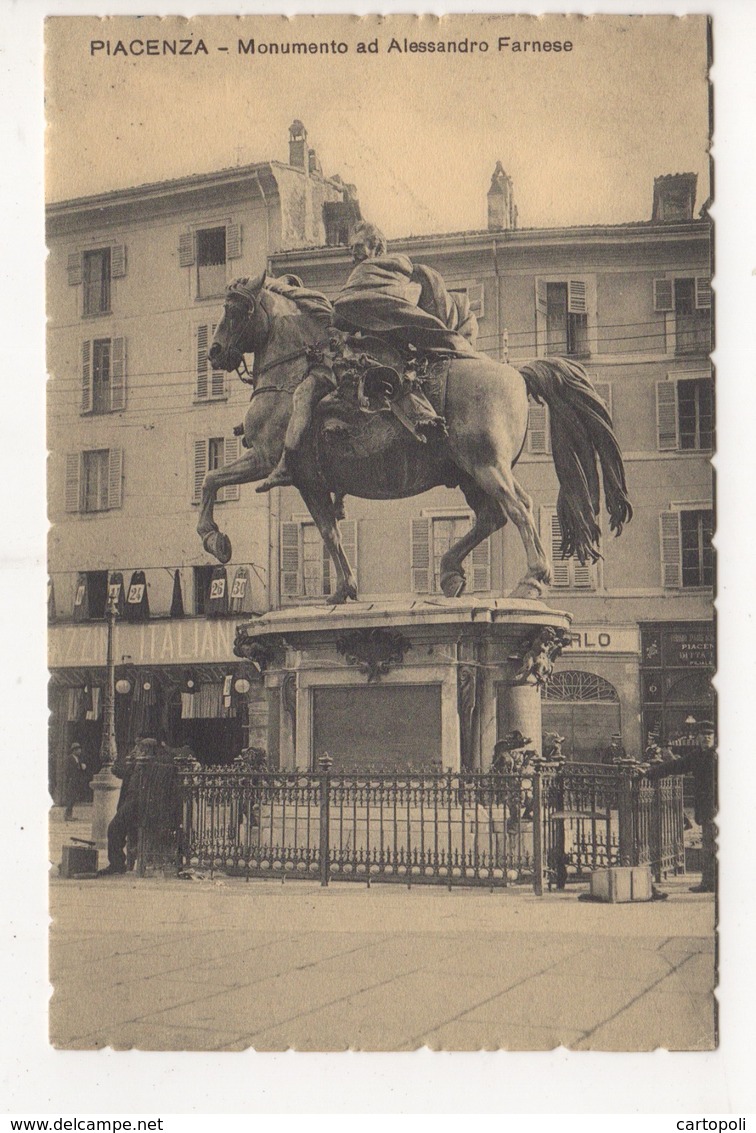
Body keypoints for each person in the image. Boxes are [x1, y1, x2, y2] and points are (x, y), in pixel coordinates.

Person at [256, 221, 478, 493]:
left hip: (373, 357)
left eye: (359, 248)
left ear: (378, 248)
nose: (354, 255)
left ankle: (287, 464)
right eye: (352, 249)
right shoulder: (395, 277)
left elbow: (348, 314)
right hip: (375, 355)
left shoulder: (373, 275)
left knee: (305, 392)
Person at [647, 720, 716, 893]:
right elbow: (676, 766)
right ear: (697, 738)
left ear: (714, 738)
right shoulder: (697, 756)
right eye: (702, 735)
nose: (705, 738)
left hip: (719, 809)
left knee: (714, 846)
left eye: (709, 735)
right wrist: (650, 773)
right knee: (709, 847)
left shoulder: (718, 756)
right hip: (708, 810)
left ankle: (714, 883)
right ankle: (709, 883)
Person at [60, 742, 85, 821]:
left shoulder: (77, 759)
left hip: (76, 781)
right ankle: (67, 815)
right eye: (78, 749)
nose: (80, 751)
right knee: (71, 798)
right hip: (72, 781)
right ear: (74, 750)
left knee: (73, 798)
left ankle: (69, 815)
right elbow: (68, 770)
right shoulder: (70, 758)